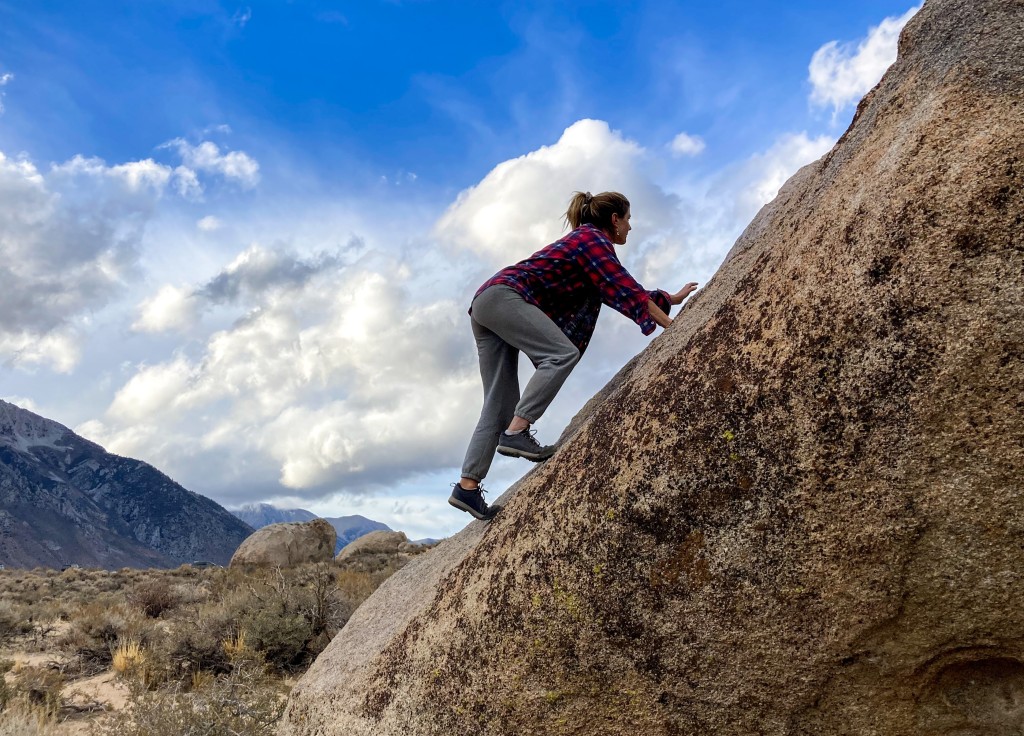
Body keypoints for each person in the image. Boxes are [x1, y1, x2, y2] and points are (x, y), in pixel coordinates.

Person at [448, 191, 698, 520]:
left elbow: (622, 288)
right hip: (505, 297)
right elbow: (623, 285)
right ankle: (517, 432)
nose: (630, 227)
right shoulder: (592, 239)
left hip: (486, 303)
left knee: (499, 402)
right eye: (628, 219)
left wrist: (670, 298)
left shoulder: (585, 244)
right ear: (615, 220)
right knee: (561, 354)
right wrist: (673, 326)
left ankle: (466, 487)